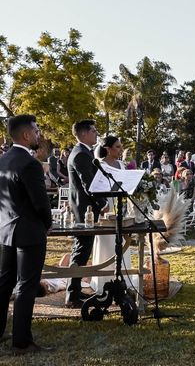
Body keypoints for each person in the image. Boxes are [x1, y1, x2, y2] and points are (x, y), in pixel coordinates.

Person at [0, 114, 54, 354]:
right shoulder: (29, 163)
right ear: (25, 135)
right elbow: (40, 203)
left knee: (4, 283)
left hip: (5, 230)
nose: (38, 134)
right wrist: (47, 223)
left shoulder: (3, 160)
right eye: (35, 130)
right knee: (26, 285)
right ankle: (21, 341)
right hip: (29, 232)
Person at [66, 119, 106, 308]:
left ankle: (73, 290)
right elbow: (88, 184)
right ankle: (72, 295)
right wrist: (103, 203)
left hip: (86, 208)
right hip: (85, 210)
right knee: (81, 249)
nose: (96, 133)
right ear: (83, 134)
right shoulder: (81, 154)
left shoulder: (85, 152)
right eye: (93, 131)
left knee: (82, 249)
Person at [90, 136, 134, 294]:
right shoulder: (99, 165)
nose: (121, 149)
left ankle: (123, 279)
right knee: (107, 243)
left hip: (120, 209)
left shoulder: (121, 165)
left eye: (121, 146)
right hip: (105, 209)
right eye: (117, 147)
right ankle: (104, 282)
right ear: (108, 149)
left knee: (122, 243)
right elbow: (95, 188)